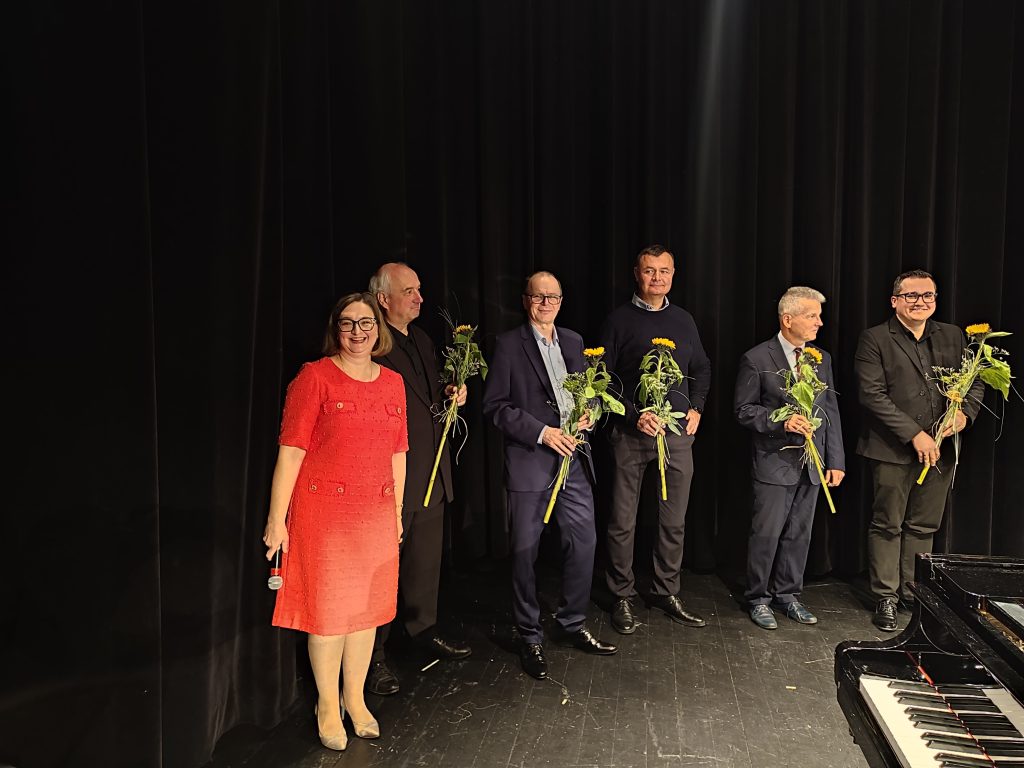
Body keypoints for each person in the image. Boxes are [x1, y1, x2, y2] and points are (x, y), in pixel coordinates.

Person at [262, 292, 407, 750]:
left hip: (375, 514)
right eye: (348, 323)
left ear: (378, 329)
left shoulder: (393, 383)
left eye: (366, 323)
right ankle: (327, 705)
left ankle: (355, 699)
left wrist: (396, 512)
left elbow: (398, 452)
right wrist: (276, 520)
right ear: (335, 328)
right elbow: (291, 452)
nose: (358, 332)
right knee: (328, 617)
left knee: (365, 614)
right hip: (324, 515)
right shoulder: (314, 377)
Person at [482, 271, 618, 680]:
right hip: (532, 461)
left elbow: (588, 396)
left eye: (553, 297)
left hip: (573, 460)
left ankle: (571, 623)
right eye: (538, 297)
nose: (546, 304)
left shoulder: (574, 342)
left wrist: (590, 414)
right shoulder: (509, 345)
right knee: (525, 552)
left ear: (561, 301)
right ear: (526, 300)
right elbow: (495, 407)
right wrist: (542, 432)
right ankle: (530, 635)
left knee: (584, 543)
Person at [854, 269, 982, 632]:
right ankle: (886, 597)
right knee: (887, 524)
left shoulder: (953, 335)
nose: (920, 302)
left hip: (940, 449)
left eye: (927, 295)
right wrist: (915, 435)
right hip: (892, 449)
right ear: (895, 300)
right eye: (911, 295)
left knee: (924, 525)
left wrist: (964, 414)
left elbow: (974, 381)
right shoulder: (875, 338)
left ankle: (913, 593)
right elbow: (871, 394)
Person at [366, 262, 471, 696]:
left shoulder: (423, 339)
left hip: (432, 472)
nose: (419, 298)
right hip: (392, 479)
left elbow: (432, 393)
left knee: (424, 564)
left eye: (419, 290)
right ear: (383, 299)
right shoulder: (373, 344)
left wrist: (453, 391)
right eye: (409, 291)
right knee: (381, 572)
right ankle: (372, 657)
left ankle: (422, 630)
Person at [600, 244, 710, 634]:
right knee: (622, 521)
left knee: (673, 521)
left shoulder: (683, 320)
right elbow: (602, 381)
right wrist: (634, 415)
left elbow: (701, 366)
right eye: (650, 271)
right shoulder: (618, 320)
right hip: (631, 436)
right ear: (637, 274)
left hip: (676, 436)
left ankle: (666, 590)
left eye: (664, 271)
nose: (657, 278)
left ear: (673, 275)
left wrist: (696, 407)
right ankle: (621, 595)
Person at [734, 287, 845, 630]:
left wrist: (835, 460)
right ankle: (758, 598)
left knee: (799, 534)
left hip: (812, 464)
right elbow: (743, 410)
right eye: (812, 316)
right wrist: (780, 421)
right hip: (774, 462)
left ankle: (788, 595)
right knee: (766, 534)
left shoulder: (821, 358)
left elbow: (829, 411)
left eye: (819, 316)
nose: (819, 323)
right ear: (787, 319)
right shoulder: (757, 358)